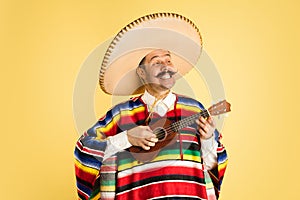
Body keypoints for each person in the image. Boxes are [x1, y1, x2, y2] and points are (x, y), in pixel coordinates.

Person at [74, 13, 228, 200]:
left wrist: (208, 139)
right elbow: (85, 149)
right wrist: (127, 138)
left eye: (169, 60)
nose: (166, 66)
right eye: (157, 62)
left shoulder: (195, 109)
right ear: (142, 72)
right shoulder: (121, 114)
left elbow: (213, 166)